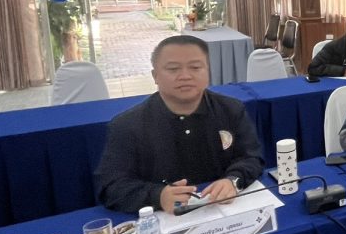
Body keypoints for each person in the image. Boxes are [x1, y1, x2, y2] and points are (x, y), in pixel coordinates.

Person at [95, 36, 264, 214]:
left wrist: (233, 180)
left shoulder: (231, 110)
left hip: (224, 210)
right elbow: (110, 186)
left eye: (195, 67)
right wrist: (157, 196)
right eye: (173, 69)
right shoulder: (127, 125)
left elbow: (251, 157)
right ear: (155, 76)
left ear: (208, 72)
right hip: (164, 218)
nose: (185, 76)